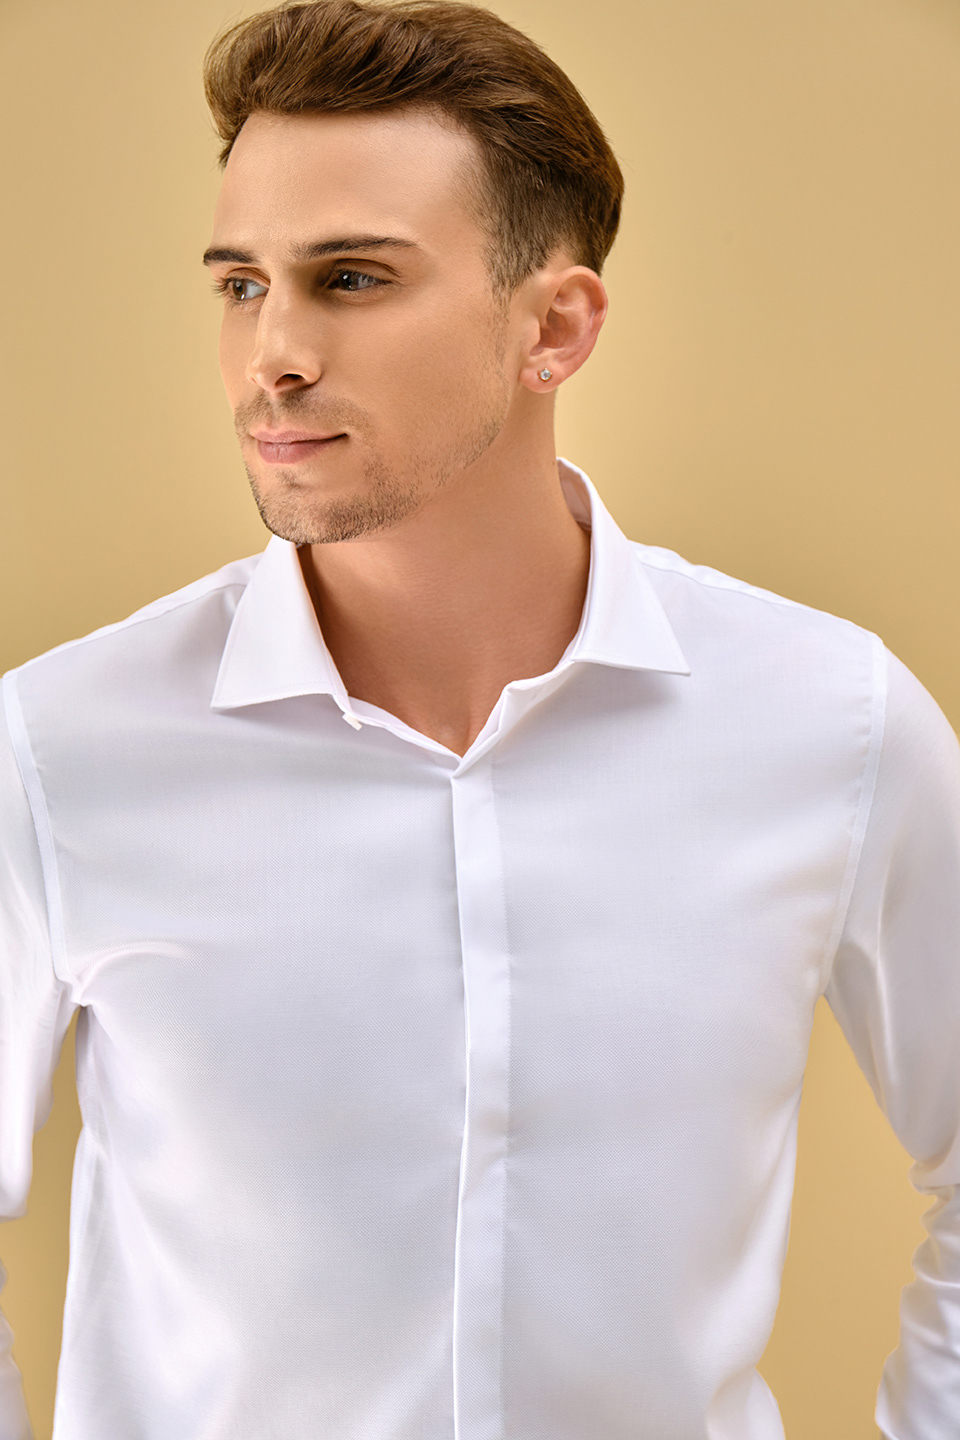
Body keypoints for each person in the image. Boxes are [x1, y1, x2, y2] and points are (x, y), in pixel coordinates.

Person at [0, 0, 957, 1435]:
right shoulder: (58, 748)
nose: (272, 354)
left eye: (352, 278)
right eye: (242, 284)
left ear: (552, 328)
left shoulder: (831, 722)